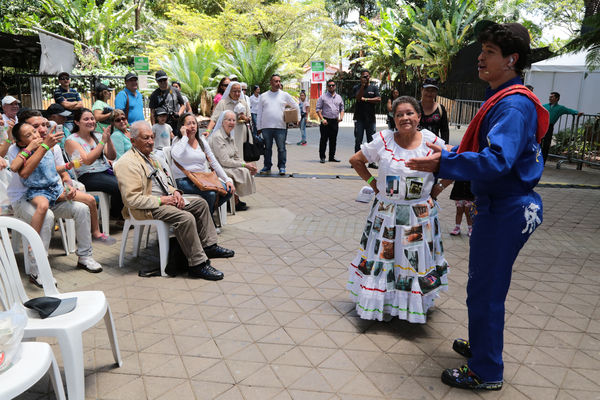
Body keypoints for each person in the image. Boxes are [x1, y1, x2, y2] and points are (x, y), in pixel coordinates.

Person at [405, 21, 549, 390]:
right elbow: (491, 154)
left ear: (512, 59)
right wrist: (451, 153)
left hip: (506, 207)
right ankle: (483, 347)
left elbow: (498, 161)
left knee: (486, 289)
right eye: (482, 50)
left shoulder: (513, 105)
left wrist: (445, 163)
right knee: (483, 286)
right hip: (501, 205)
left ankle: (486, 371)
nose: (481, 58)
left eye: (490, 53)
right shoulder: (506, 97)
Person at [348, 95, 448, 323]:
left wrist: (439, 187)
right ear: (393, 118)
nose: (404, 117)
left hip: (418, 216)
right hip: (387, 215)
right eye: (399, 114)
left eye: (409, 113)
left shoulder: (431, 141)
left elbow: (455, 161)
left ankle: (412, 306)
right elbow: (356, 160)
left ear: (419, 116)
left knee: (412, 261)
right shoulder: (383, 140)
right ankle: (383, 304)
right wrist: (374, 185)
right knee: (385, 259)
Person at [114, 120, 233, 280]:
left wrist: (175, 192)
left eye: (151, 137)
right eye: (145, 138)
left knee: (201, 204)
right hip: (147, 207)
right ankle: (197, 264)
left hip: (163, 200)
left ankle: (209, 245)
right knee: (185, 218)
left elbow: (165, 182)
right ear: (133, 141)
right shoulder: (127, 163)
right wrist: (163, 200)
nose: (150, 141)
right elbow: (133, 200)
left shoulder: (151, 157)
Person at [7, 110, 104, 282]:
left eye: (43, 125)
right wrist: (42, 147)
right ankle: (38, 269)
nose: (42, 130)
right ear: (23, 130)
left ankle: (85, 257)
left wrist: (68, 185)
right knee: (47, 216)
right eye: (35, 127)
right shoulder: (18, 148)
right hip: (25, 197)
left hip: (51, 193)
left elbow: (62, 173)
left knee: (82, 208)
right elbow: (23, 172)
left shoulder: (53, 146)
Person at [65, 108, 124, 220]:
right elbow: (87, 160)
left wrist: (108, 139)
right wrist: (102, 142)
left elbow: (111, 156)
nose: (91, 121)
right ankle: (118, 215)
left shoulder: (97, 135)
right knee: (118, 185)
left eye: (92, 118)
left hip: (105, 171)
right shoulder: (71, 140)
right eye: (86, 119)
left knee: (128, 180)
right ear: (77, 122)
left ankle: (121, 213)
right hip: (87, 175)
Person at [171, 113, 234, 214]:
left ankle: (206, 215)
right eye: (188, 123)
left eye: (194, 123)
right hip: (184, 180)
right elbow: (176, 155)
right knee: (211, 194)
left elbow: (213, 162)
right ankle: (209, 221)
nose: (192, 126)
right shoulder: (178, 141)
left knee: (229, 190)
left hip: (202, 178)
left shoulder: (202, 141)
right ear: (182, 126)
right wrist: (184, 137)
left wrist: (227, 179)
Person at [208, 110, 257, 211]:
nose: (231, 123)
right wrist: (244, 165)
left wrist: (247, 164)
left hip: (227, 164)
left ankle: (235, 199)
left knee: (246, 169)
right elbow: (224, 161)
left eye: (233, 120)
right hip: (218, 167)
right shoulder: (217, 137)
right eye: (228, 120)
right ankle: (233, 201)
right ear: (222, 122)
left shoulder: (230, 135)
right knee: (241, 170)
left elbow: (236, 155)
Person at [256, 74, 299, 175]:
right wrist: (259, 127)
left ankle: (282, 167)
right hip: (266, 127)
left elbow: (296, 106)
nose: (278, 83)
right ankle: (267, 166)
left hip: (281, 127)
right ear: (270, 83)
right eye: (276, 81)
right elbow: (259, 113)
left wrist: (297, 118)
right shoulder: (263, 96)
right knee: (267, 148)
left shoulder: (284, 95)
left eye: (279, 81)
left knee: (282, 148)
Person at [205, 82, 251, 156]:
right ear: (229, 91)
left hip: (240, 134)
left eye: (239, 91)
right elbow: (214, 118)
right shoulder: (223, 103)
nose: (237, 94)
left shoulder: (243, 103)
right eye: (234, 91)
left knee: (239, 154)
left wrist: (244, 117)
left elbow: (249, 118)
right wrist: (208, 131)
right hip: (227, 134)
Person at [541, 91, 583, 164]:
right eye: (550, 96)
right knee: (538, 143)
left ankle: (542, 161)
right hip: (541, 126)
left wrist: (577, 112)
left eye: (552, 97)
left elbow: (569, 110)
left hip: (549, 127)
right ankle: (535, 161)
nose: (550, 98)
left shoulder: (560, 108)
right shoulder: (544, 106)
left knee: (546, 145)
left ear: (557, 98)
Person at [353, 69, 381, 170]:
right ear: (360, 77)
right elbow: (358, 98)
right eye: (364, 76)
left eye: (367, 76)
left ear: (370, 77)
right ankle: (356, 161)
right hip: (359, 118)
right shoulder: (357, 87)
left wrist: (367, 99)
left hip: (370, 119)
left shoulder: (374, 87)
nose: (366, 78)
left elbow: (378, 99)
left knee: (371, 141)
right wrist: (362, 86)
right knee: (358, 140)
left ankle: (372, 162)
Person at [316, 80, 344, 162]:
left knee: (333, 140)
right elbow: (318, 109)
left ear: (335, 86)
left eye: (333, 85)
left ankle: (331, 157)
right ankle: (322, 157)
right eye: (329, 85)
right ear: (327, 87)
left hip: (335, 121)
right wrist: (322, 119)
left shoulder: (339, 97)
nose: (331, 87)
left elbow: (342, 108)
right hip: (326, 121)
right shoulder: (323, 97)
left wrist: (341, 117)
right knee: (324, 139)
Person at [419, 78, 450, 143]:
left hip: (434, 146)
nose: (429, 93)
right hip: (416, 146)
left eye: (433, 91)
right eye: (427, 90)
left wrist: (444, 147)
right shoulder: (414, 107)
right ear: (422, 90)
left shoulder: (441, 109)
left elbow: (445, 131)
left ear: (436, 93)